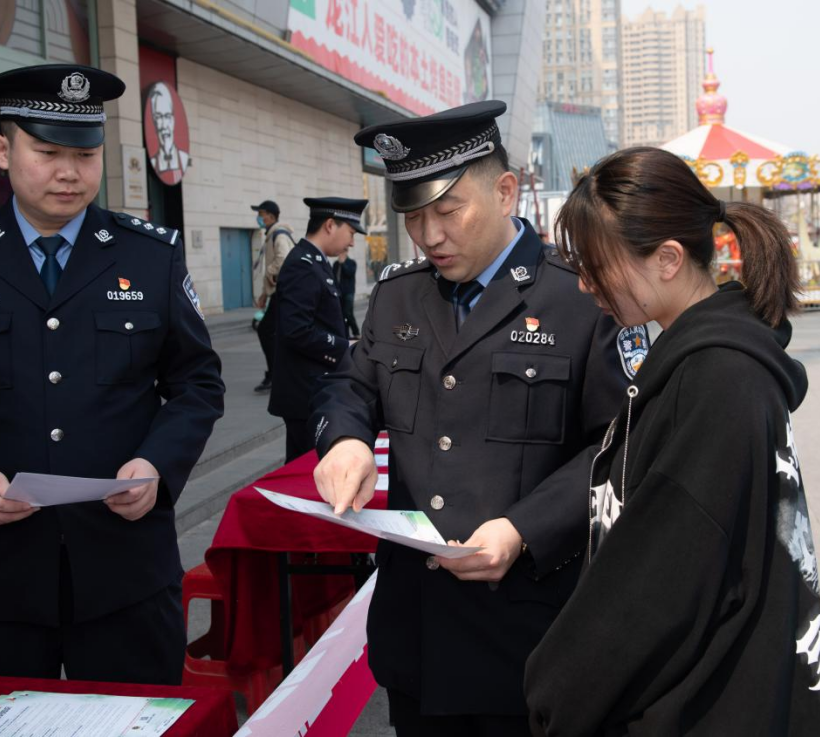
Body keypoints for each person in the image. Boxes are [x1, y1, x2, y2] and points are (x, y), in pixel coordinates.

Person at [0, 64, 225, 684]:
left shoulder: (150, 256)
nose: (69, 172)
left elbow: (197, 383)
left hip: (125, 571)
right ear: (3, 150)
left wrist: (158, 467)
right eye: (48, 151)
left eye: (85, 154)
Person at [310, 101, 634, 736]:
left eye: (447, 210)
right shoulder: (400, 292)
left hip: (526, 628)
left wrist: (523, 527)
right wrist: (345, 440)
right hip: (417, 631)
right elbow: (352, 387)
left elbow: (620, 442)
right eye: (413, 216)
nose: (429, 235)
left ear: (506, 190)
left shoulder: (579, 297)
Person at [524, 147, 820, 736]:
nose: (587, 286)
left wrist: (554, 690)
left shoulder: (717, 379)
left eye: (598, 267)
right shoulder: (706, 361)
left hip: (707, 706)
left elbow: (656, 585)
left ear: (668, 258)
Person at [268, 197, 366, 462]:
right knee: (304, 472)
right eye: (351, 232)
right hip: (305, 393)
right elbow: (297, 329)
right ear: (331, 225)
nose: (352, 241)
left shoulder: (315, 262)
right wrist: (345, 346)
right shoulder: (303, 264)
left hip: (314, 388)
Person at [250, 200, 296, 393]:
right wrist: (264, 294)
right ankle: (279, 373)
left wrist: (269, 272)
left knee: (266, 331)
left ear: (270, 215)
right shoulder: (272, 235)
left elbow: (284, 259)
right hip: (278, 294)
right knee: (274, 334)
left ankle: (276, 375)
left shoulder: (279, 234)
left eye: (261, 213)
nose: (259, 218)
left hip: (283, 294)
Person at [333, 247, 360, 338]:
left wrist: (343, 263)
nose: (340, 254)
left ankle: (356, 332)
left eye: (342, 252)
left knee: (347, 313)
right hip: (339, 293)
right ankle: (346, 334)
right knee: (343, 314)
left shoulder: (351, 263)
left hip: (349, 292)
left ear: (346, 252)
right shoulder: (336, 264)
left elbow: (350, 273)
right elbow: (333, 277)